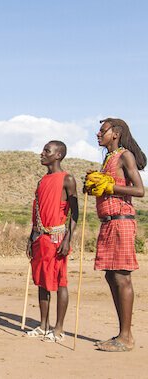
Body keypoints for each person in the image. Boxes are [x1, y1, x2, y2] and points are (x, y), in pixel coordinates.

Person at [85, 118, 145, 352]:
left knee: (122, 278)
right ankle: (122, 333)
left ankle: (127, 337)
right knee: (111, 277)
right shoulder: (108, 159)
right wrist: (92, 186)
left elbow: (139, 190)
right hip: (108, 223)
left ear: (116, 133)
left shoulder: (124, 156)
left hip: (121, 221)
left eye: (103, 131)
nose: (98, 134)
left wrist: (110, 187)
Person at [24, 141, 78, 342]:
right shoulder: (42, 181)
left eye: (47, 150)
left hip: (57, 238)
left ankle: (59, 328)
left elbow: (75, 213)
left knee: (60, 282)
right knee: (42, 283)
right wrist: (31, 237)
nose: (42, 153)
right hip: (40, 237)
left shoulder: (67, 179)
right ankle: (43, 325)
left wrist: (67, 239)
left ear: (58, 155)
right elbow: (36, 212)